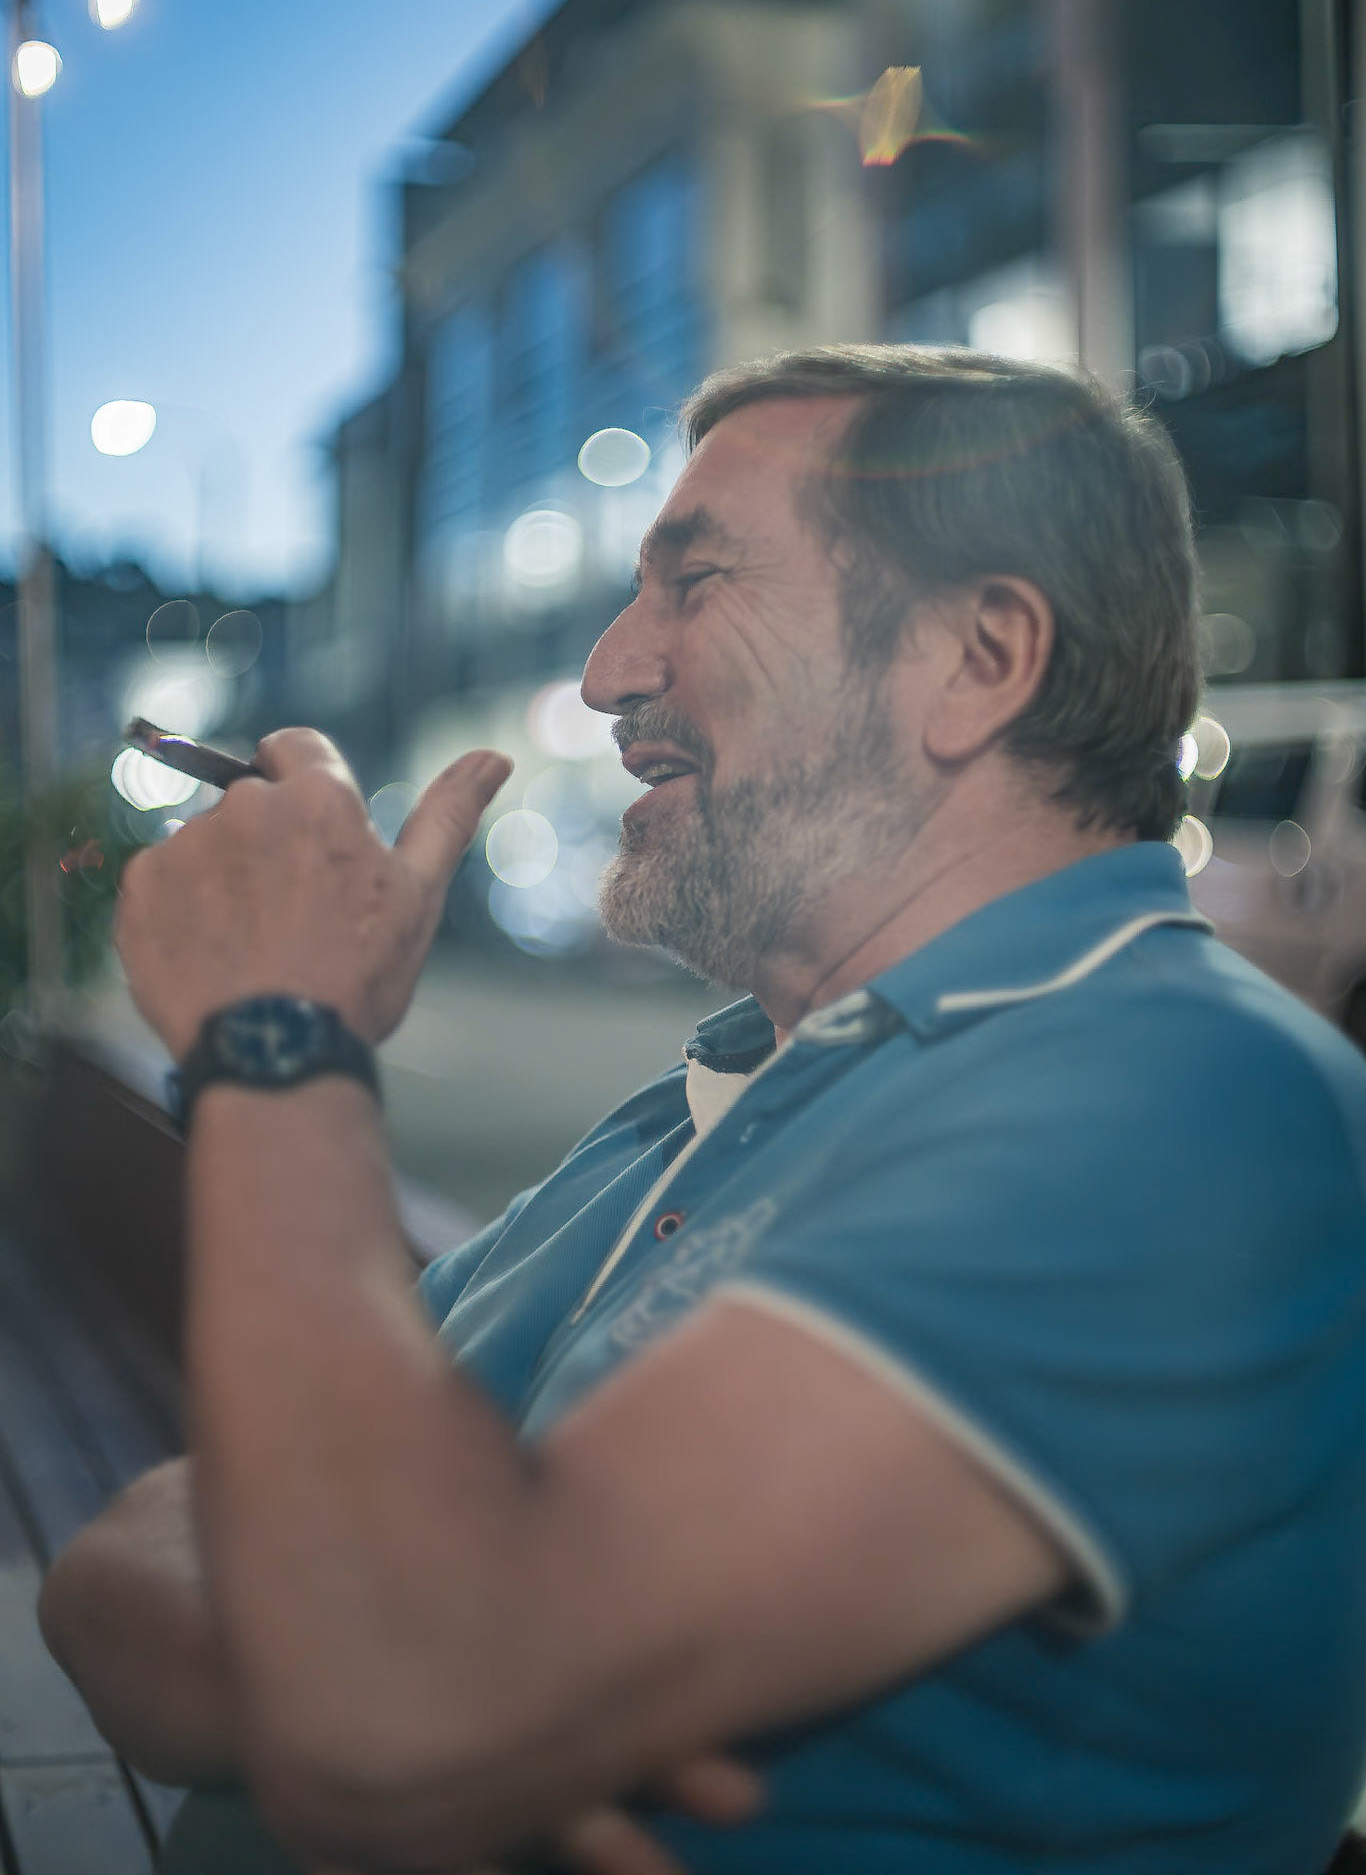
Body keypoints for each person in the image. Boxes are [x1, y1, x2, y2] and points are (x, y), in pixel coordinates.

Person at [39, 346, 1366, 1875]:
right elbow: (115, 1575)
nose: (608, 672)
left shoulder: (1178, 1104)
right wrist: (407, 1663)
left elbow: (392, 1697)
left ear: (977, 658)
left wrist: (279, 1037)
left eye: (696, 581)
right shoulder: (702, 1103)